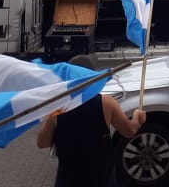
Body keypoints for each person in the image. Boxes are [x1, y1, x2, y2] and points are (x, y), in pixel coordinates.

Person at [35, 55, 146, 187]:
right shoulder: (106, 103)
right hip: (100, 181)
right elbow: (129, 131)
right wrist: (137, 117)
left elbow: (42, 142)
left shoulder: (58, 108)